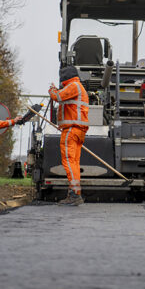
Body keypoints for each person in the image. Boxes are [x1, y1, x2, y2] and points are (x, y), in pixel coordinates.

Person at [49, 65, 90, 206]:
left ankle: (74, 194)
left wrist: (52, 90)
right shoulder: (77, 87)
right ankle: (74, 193)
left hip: (71, 130)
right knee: (74, 162)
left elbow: (58, 97)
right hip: (78, 131)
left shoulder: (73, 86)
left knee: (68, 161)